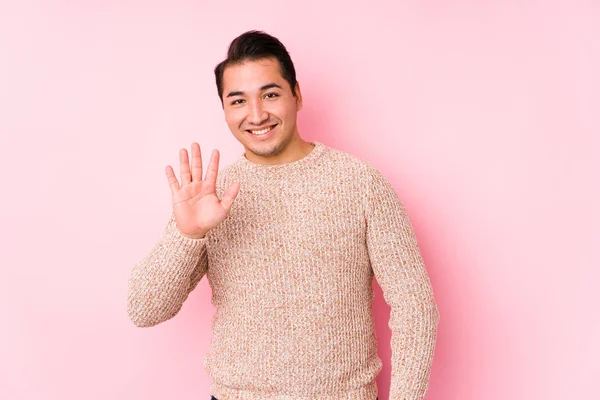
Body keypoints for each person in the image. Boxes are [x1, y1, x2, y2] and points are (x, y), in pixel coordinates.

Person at [127, 30, 440, 400]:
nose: (256, 114)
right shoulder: (211, 198)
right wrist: (187, 235)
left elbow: (415, 308)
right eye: (238, 100)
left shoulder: (361, 184)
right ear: (225, 110)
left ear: (297, 95)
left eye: (270, 94)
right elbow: (143, 309)